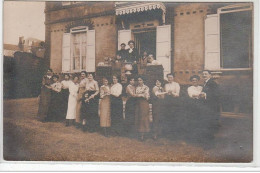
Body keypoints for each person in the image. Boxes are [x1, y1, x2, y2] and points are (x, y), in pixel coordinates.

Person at [199, 70, 220, 141]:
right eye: (203, 74)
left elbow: (216, 95)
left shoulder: (213, 83)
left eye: (206, 74)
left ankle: (210, 143)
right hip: (206, 107)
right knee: (207, 124)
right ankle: (207, 140)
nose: (204, 75)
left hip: (211, 107)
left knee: (210, 124)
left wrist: (205, 94)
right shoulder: (206, 83)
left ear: (210, 75)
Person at [135, 76, 150, 141]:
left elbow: (146, 96)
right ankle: (140, 134)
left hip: (144, 103)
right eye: (138, 80)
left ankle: (145, 134)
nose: (139, 81)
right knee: (139, 117)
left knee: (144, 117)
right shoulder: (137, 87)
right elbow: (135, 94)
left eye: (140, 80)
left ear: (143, 81)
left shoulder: (146, 87)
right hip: (138, 103)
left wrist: (140, 94)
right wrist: (140, 94)